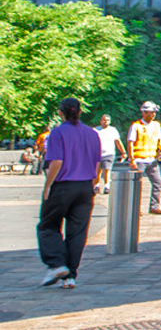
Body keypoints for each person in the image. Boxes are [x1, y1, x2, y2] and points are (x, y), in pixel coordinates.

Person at [37, 97, 101, 290]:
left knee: (48, 225)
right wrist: (93, 184)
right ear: (80, 112)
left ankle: (57, 264)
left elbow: (56, 161)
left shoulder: (57, 133)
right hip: (85, 187)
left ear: (60, 112)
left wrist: (48, 185)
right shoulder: (92, 133)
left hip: (63, 185)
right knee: (78, 232)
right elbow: (97, 163)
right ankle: (71, 276)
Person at [126, 101, 161, 215]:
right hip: (139, 159)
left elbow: (159, 140)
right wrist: (131, 160)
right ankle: (135, 208)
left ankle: (154, 206)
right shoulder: (136, 126)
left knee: (158, 182)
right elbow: (130, 143)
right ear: (144, 113)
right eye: (151, 112)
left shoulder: (156, 125)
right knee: (136, 185)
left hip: (152, 159)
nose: (153, 115)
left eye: (154, 112)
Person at [94, 114, 123, 194]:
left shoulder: (113, 130)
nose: (105, 122)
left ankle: (107, 186)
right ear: (100, 121)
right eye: (104, 120)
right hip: (97, 154)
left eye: (107, 120)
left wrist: (123, 152)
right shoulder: (95, 130)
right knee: (97, 171)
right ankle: (96, 186)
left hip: (109, 153)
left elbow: (118, 141)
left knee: (106, 169)